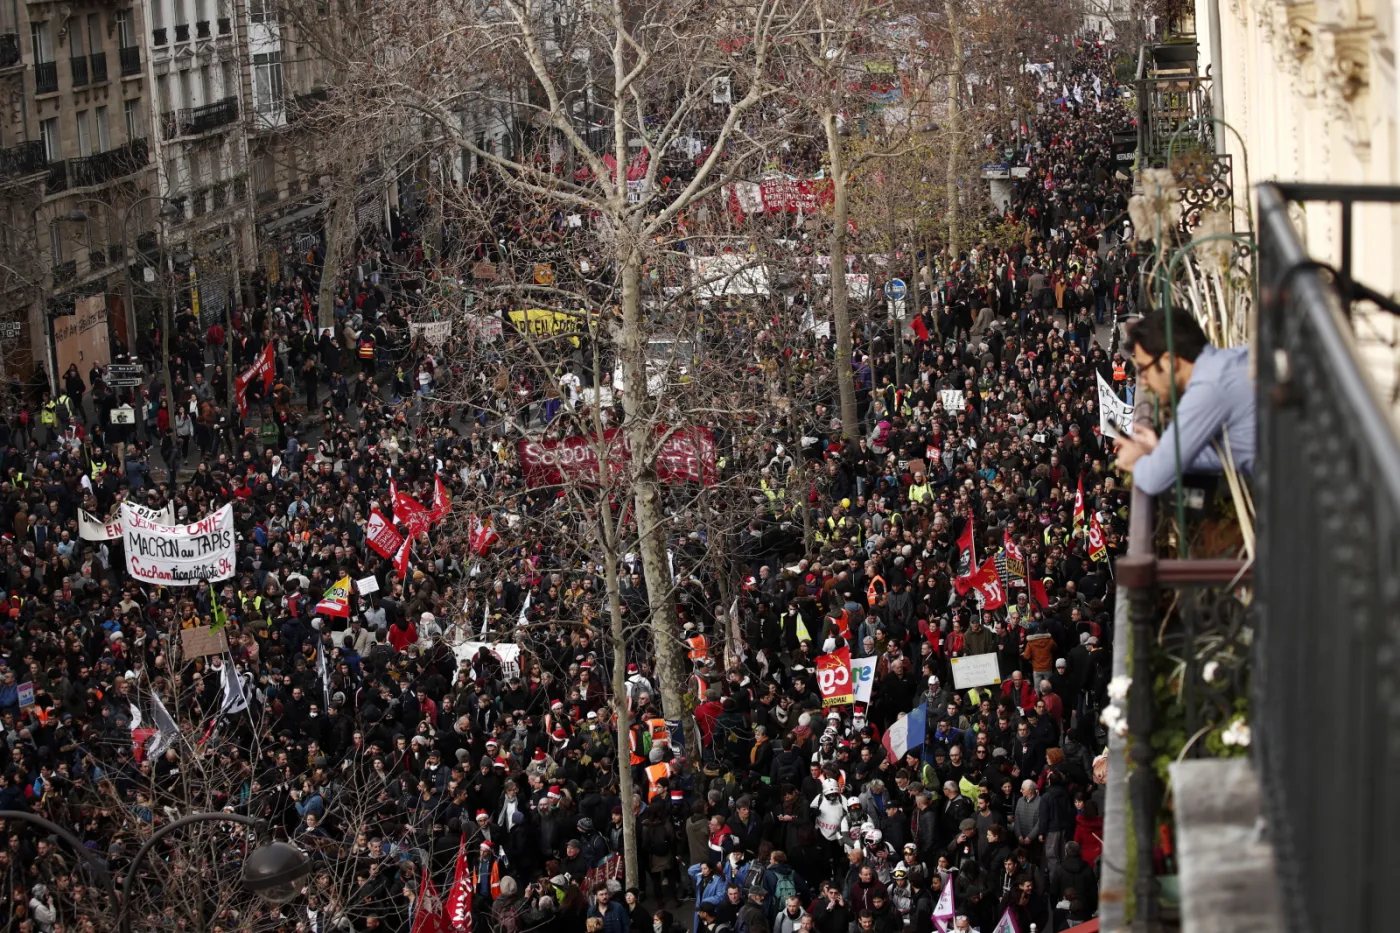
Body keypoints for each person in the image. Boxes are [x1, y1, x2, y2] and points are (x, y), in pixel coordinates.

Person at [1114, 307, 1255, 493]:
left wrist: (1134, 459)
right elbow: (1229, 453)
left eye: (1143, 369)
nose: (1145, 382)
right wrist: (1161, 450)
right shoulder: (1228, 362)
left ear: (1170, 362)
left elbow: (1152, 479)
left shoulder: (1207, 389)